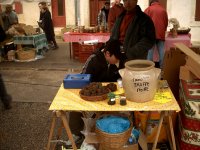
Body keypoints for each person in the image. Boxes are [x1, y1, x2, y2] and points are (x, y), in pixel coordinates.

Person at [66, 40, 122, 148]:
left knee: (118, 104)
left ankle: (111, 133)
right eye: (116, 57)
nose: (118, 60)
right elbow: (83, 78)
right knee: (76, 104)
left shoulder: (117, 61)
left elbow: (120, 79)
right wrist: (92, 89)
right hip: (91, 93)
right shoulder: (94, 59)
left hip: (108, 93)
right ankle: (75, 133)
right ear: (107, 54)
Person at [110, 0, 156, 69]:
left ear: (136, 1)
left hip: (136, 61)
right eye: (126, 0)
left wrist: (129, 53)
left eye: (131, 0)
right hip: (118, 58)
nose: (128, 2)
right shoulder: (120, 17)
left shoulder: (144, 19)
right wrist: (110, 49)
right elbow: (113, 36)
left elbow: (148, 40)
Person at [144, 0, 168, 69]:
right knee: (161, 51)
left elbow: (143, 22)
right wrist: (164, 30)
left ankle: (149, 67)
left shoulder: (148, 9)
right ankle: (162, 67)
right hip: (160, 33)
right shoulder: (163, 10)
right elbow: (166, 22)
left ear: (151, 3)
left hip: (150, 34)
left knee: (150, 51)